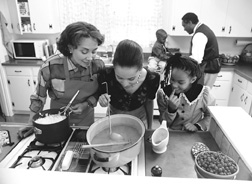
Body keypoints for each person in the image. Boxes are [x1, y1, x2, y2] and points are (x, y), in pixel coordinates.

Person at [18, 21, 105, 138]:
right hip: (55, 121)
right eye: (84, 51)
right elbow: (39, 97)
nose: (90, 57)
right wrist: (30, 123)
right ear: (70, 48)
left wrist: (87, 104)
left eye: (94, 51)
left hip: (85, 121)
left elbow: (100, 91)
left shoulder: (98, 65)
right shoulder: (50, 66)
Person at [98, 39, 160, 129]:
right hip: (113, 120)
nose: (125, 84)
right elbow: (102, 96)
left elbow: (149, 102)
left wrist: (149, 128)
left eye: (131, 78)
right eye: (119, 77)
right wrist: (102, 100)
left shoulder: (152, 79)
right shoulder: (106, 74)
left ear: (140, 68)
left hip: (140, 120)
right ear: (114, 67)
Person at [157, 53, 214, 131]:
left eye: (180, 82)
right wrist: (171, 110)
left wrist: (197, 126)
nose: (174, 85)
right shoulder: (163, 94)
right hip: (173, 135)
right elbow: (163, 123)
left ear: (193, 80)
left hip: (195, 135)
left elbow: (210, 116)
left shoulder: (203, 94)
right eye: (172, 79)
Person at [181, 12, 221, 88]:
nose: (184, 29)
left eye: (184, 26)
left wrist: (183, 62)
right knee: (205, 92)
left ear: (190, 22)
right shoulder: (203, 29)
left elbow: (197, 59)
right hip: (211, 67)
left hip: (208, 68)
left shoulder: (199, 34)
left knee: (203, 93)